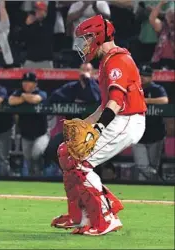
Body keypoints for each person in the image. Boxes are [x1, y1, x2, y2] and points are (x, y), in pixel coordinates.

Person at [51, 15, 147, 236]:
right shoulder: (108, 60)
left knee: (81, 163)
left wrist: (98, 128)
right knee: (67, 152)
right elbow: (104, 106)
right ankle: (79, 216)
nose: (83, 44)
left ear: (98, 36)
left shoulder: (118, 60)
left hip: (128, 119)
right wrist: (85, 123)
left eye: (86, 38)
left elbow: (116, 102)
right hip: (120, 118)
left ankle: (105, 218)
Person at [45, 62, 101, 166]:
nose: (84, 73)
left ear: (93, 73)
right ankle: (67, 171)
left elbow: (94, 98)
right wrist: (71, 100)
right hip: (72, 132)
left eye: (88, 70)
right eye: (83, 70)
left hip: (92, 133)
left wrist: (88, 81)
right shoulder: (72, 87)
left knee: (90, 159)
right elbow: (54, 97)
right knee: (52, 148)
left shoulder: (97, 87)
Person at [8, 72, 49, 176]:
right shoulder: (18, 92)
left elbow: (35, 100)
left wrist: (22, 97)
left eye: (29, 82)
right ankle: (32, 181)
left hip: (41, 134)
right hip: (26, 135)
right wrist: (24, 97)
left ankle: (40, 175)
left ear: (35, 84)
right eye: (24, 82)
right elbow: (11, 101)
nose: (26, 84)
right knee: (28, 160)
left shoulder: (41, 92)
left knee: (36, 154)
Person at [132, 64, 168, 180]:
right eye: (141, 75)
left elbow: (164, 100)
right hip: (138, 135)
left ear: (151, 77)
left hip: (155, 134)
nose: (142, 78)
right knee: (142, 166)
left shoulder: (157, 89)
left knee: (153, 167)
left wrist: (145, 100)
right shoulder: (133, 88)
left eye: (145, 76)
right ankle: (161, 182)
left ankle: (154, 188)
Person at [67, 1, 110, 68]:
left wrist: (95, 8)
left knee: (97, 70)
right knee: (78, 69)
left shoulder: (102, 3)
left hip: (97, 44)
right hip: (79, 44)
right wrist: (84, 6)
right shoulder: (76, 4)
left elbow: (107, 18)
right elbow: (69, 18)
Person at [22, 1, 56, 68]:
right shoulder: (31, 23)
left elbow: (52, 8)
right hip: (30, 60)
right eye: (36, 9)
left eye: (40, 10)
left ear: (45, 12)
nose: (37, 11)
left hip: (46, 61)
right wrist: (26, 25)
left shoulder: (49, 23)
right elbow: (22, 38)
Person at [149, 1, 175, 69]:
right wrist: (161, 3)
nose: (172, 18)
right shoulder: (162, 27)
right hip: (159, 60)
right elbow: (152, 19)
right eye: (170, 16)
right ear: (166, 17)